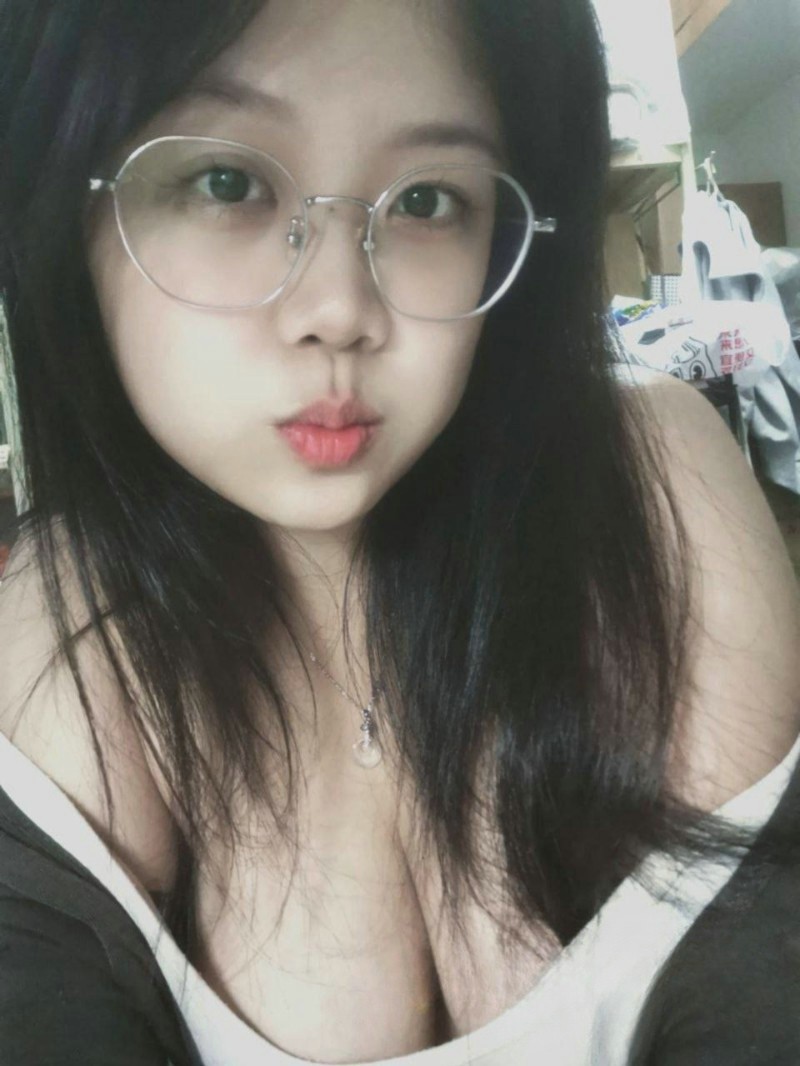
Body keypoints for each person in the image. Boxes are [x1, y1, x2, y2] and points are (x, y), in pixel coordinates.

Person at [0, 1, 799, 1063]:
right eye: (227, 182)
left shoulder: (649, 484)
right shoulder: (65, 640)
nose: (340, 307)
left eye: (426, 200)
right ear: (67, 206)